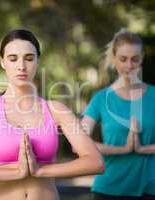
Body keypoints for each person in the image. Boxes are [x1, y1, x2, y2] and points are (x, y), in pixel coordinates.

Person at [0, 29, 104, 200]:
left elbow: (95, 162)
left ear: (37, 61)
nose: (21, 66)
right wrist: (17, 172)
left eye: (29, 58)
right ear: (3, 62)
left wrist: (40, 170)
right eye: (13, 58)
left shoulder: (56, 110)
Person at [81, 29, 155, 200]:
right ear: (114, 59)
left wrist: (143, 149)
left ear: (142, 58)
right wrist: (122, 150)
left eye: (135, 59)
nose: (129, 65)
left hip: (150, 188)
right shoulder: (100, 99)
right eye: (123, 59)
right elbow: (79, 142)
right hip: (109, 190)